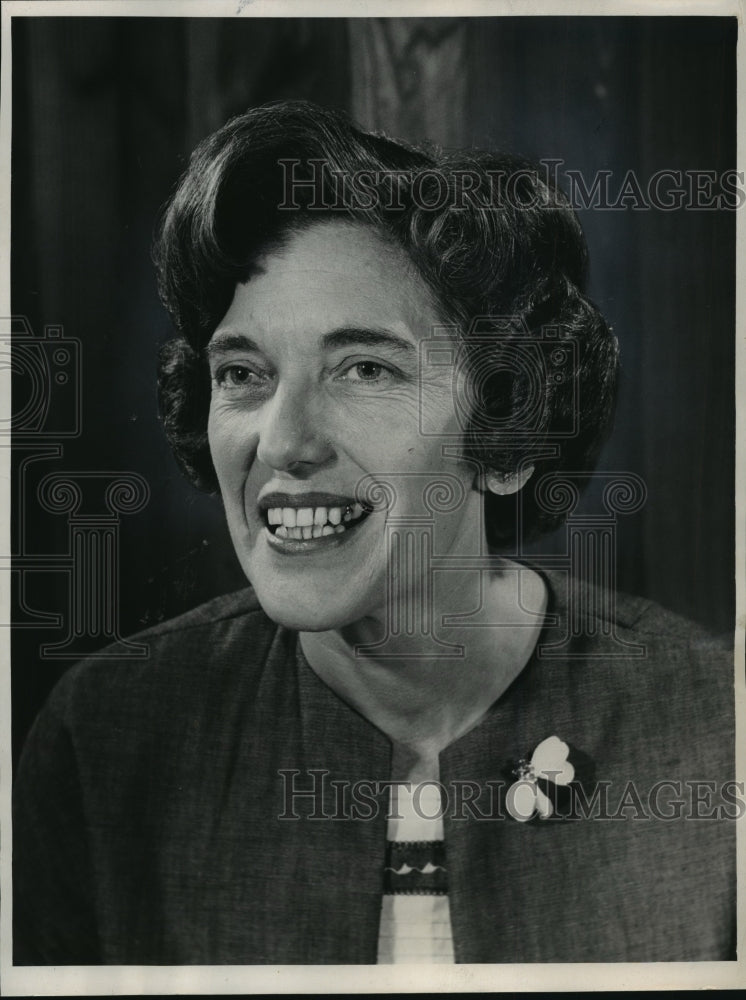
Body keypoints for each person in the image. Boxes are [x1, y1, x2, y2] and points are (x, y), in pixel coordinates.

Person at [13, 100, 735, 965]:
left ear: (508, 428)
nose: (282, 442)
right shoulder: (106, 739)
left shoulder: (713, 727)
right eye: (243, 373)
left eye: (364, 369)